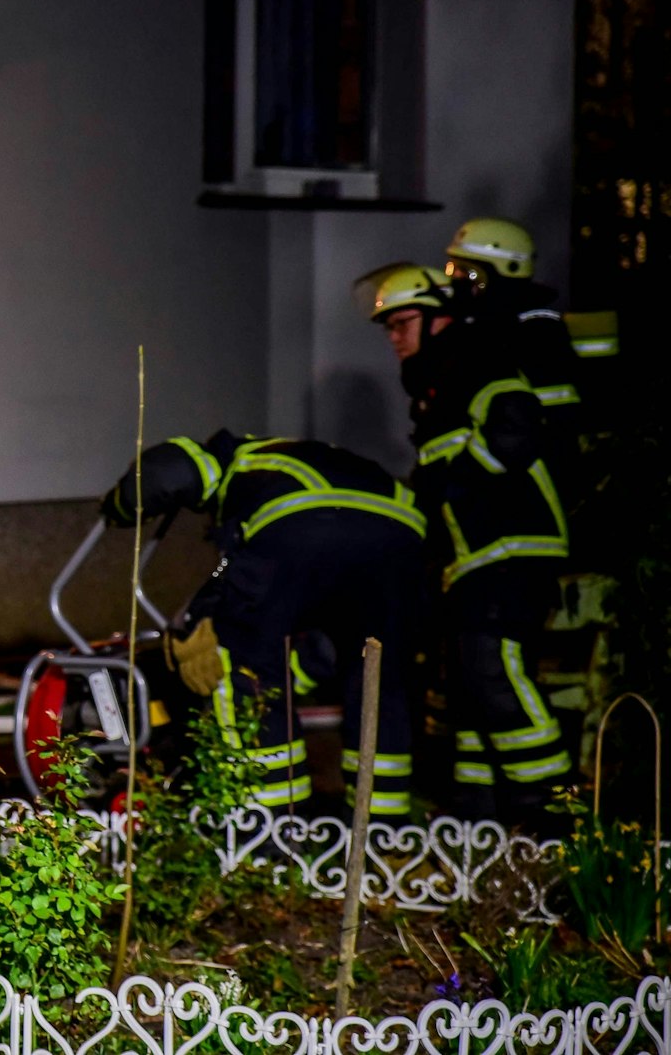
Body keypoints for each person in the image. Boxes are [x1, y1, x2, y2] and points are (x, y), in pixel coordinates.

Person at [103, 430, 425, 817]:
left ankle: (264, 823)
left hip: (300, 529)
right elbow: (321, 643)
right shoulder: (326, 457)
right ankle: (384, 825)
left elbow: (169, 470)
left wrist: (118, 506)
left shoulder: (234, 457)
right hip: (403, 545)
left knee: (243, 665)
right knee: (379, 679)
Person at [370, 264, 571, 825]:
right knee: (468, 689)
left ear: (440, 319)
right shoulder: (437, 388)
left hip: (513, 551)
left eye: (403, 322)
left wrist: (458, 481)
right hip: (473, 562)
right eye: (388, 328)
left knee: (492, 672)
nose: (394, 337)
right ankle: (477, 819)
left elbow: (515, 428)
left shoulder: (474, 360)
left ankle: (550, 812)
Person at [443, 218, 584, 500]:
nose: (455, 280)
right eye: (452, 268)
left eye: (468, 273)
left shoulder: (537, 333)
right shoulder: (486, 328)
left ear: (504, 272)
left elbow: (548, 427)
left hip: (533, 485)